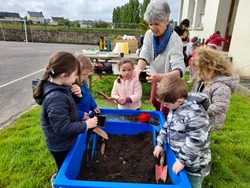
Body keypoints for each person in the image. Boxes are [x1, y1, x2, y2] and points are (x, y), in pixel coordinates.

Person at [32, 51, 98, 186]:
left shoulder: (62, 87)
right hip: (61, 144)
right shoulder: (55, 97)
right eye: (75, 75)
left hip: (67, 140)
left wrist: (77, 96)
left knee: (69, 165)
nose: (76, 79)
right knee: (64, 169)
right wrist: (87, 125)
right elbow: (62, 128)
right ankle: (59, 182)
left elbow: (68, 106)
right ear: (64, 75)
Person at [153, 74, 211, 188]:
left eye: (166, 104)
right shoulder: (175, 108)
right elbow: (167, 126)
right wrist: (160, 143)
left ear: (179, 100)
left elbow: (196, 141)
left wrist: (183, 161)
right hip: (179, 156)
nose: (164, 106)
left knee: (191, 185)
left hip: (195, 165)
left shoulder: (195, 114)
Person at [136, 0, 185, 118]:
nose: (153, 28)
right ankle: (159, 120)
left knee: (165, 108)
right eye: (150, 24)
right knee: (154, 101)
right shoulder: (149, 34)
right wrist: (138, 69)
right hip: (156, 77)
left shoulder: (175, 41)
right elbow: (145, 53)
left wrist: (161, 77)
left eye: (156, 24)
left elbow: (179, 71)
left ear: (167, 20)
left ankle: (164, 127)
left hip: (170, 82)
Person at [192, 47, 240, 131]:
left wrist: (200, 110)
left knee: (200, 139)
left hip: (209, 120)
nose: (199, 73)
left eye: (202, 71)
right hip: (198, 118)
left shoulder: (222, 87)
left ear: (212, 69)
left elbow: (221, 106)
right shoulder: (204, 80)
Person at [74, 53, 100, 120]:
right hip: (76, 119)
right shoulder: (71, 87)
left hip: (85, 115)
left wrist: (94, 107)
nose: (86, 77)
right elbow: (69, 109)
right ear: (75, 72)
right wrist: (81, 115)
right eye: (84, 74)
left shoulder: (84, 83)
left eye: (87, 75)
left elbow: (89, 95)